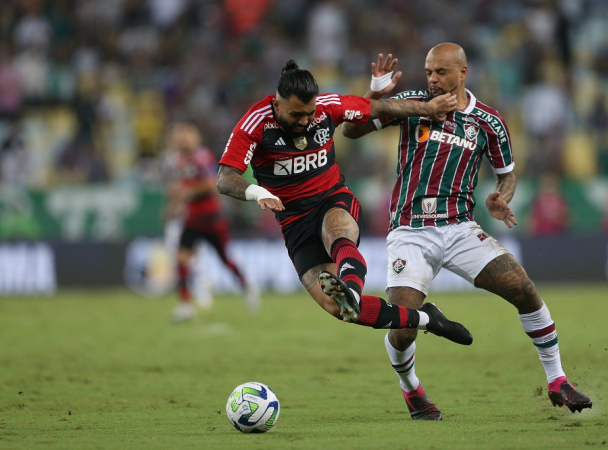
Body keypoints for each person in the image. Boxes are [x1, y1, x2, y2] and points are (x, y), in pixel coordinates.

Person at [342, 45, 592, 420]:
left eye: (441, 72)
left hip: (460, 228)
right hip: (411, 231)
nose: (431, 79)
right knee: (403, 327)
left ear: (463, 73)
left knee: (523, 290)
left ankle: (557, 380)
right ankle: (412, 390)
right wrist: (375, 94)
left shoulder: (488, 121)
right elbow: (352, 129)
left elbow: (506, 174)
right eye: (428, 71)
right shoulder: (413, 103)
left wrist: (500, 197)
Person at [217, 60, 473, 345]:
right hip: (293, 222)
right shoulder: (256, 122)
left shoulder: (328, 106)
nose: (304, 121)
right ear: (277, 105)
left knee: (337, 235)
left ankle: (350, 289)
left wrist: (427, 108)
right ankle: (428, 318)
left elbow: (377, 109)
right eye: (296, 114)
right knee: (337, 308)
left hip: (332, 198)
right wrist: (257, 192)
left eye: (309, 113)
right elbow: (225, 178)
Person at [166, 122, 257, 322]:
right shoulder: (179, 162)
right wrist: (173, 205)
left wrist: (186, 192)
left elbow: (210, 184)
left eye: (185, 136)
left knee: (225, 259)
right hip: (192, 219)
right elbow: (179, 189)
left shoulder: (202, 158)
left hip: (211, 218)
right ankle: (185, 305)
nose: (182, 141)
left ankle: (247, 287)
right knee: (181, 258)